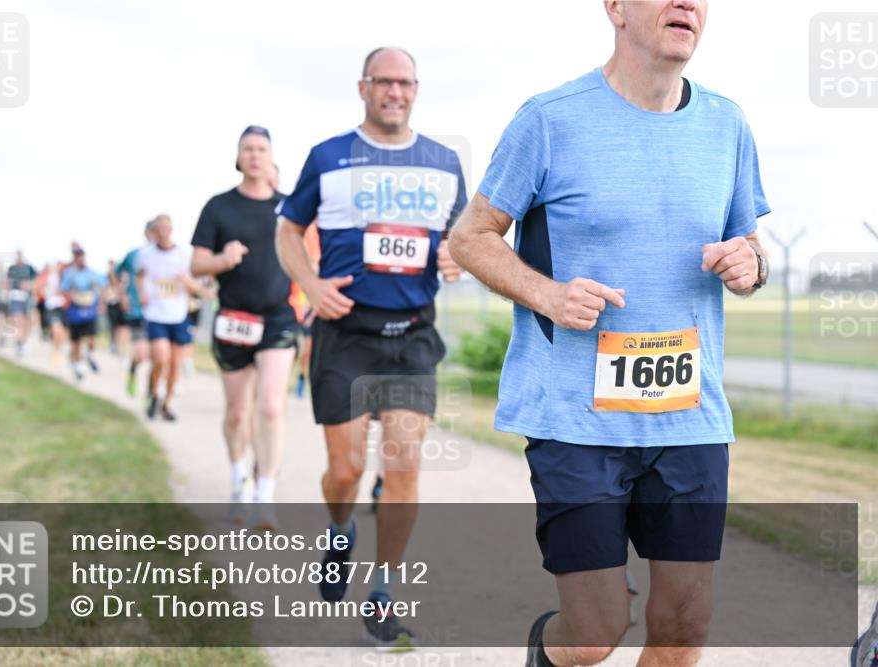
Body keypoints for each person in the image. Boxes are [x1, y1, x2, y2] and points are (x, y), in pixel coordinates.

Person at [447, 2, 771, 665]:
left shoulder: (727, 124)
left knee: (683, 625)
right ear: (616, 8)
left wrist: (751, 264)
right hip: (576, 418)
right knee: (594, 633)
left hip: (689, 418)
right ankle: (548, 651)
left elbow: (750, 245)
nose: (688, 3)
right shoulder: (551, 119)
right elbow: (470, 237)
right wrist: (547, 291)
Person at [276, 47, 467, 650]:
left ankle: (383, 594)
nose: (395, 91)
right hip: (345, 335)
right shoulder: (328, 157)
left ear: (416, 89)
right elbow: (285, 230)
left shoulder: (443, 163)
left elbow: (464, 239)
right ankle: (339, 531)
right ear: (363, 88)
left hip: (411, 335)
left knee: (404, 467)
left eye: (405, 81)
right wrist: (308, 284)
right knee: (346, 471)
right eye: (383, 81)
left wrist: (455, 255)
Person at [191, 126, 299, 529]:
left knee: (270, 407)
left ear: (271, 157)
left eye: (262, 149)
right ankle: (239, 482)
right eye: (248, 149)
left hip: (278, 320)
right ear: (238, 157)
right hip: (234, 319)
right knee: (238, 413)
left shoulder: (289, 207)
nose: (255, 155)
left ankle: (265, 496)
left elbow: (311, 255)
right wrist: (223, 259)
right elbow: (197, 265)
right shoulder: (218, 207)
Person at [137, 214, 200, 421]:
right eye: (159, 228)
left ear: (171, 230)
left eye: (167, 227)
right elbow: (139, 275)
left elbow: (195, 286)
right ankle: (154, 393)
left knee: (174, 364)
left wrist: (185, 281)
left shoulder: (183, 254)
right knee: (160, 359)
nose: (163, 231)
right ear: (154, 231)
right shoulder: (146, 254)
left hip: (178, 314)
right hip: (156, 314)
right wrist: (142, 294)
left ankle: (167, 403)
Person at [116, 220, 157, 396]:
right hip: (138, 310)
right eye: (154, 231)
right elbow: (117, 274)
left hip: (161, 313)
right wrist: (123, 294)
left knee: (159, 356)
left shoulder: (172, 255)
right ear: (146, 233)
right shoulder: (134, 255)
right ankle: (133, 372)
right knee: (141, 354)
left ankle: (152, 393)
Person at [61, 248, 106, 381]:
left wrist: (101, 303)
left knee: (92, 337)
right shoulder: (70, 274)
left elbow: (102, 286)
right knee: (76, 341)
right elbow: (63, 289)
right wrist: (73, 297)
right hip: (75, 311)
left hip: (90, 310)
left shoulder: (91, 273)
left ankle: (90, 355)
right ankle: (78, 365)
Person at [5, 250, 37, 356]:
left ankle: (22, 341)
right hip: (15, 298)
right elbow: (7, 283)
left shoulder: (29, 268)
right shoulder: (12, 269)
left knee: (29, 321)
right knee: (19, 321)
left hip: (27, 298)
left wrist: (29, 285)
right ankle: (19, 344)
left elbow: (37, 281)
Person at [40, 262, 69, 364]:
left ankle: (57, 350)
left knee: (63, 333)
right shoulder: (52, 277)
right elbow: (42, 288)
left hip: (64, 308)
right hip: (53, 307)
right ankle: (55, 352)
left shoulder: (67, 278)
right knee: (57, 330)